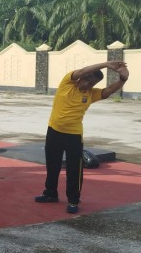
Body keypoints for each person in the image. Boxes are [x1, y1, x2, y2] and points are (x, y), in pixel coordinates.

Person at [34, 61, 130, 214]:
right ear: (82, 77)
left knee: (74, 170)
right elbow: (81, 71)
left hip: (74, 136)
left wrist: (123, 79)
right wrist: (106, 64)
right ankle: (50, 194)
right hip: (54, 131)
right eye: (87, 81)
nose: (88, 86)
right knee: (53, 166)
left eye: (92, 84)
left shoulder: (91, 94)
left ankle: (73, 200)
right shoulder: (67, 82)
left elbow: (108, 91)